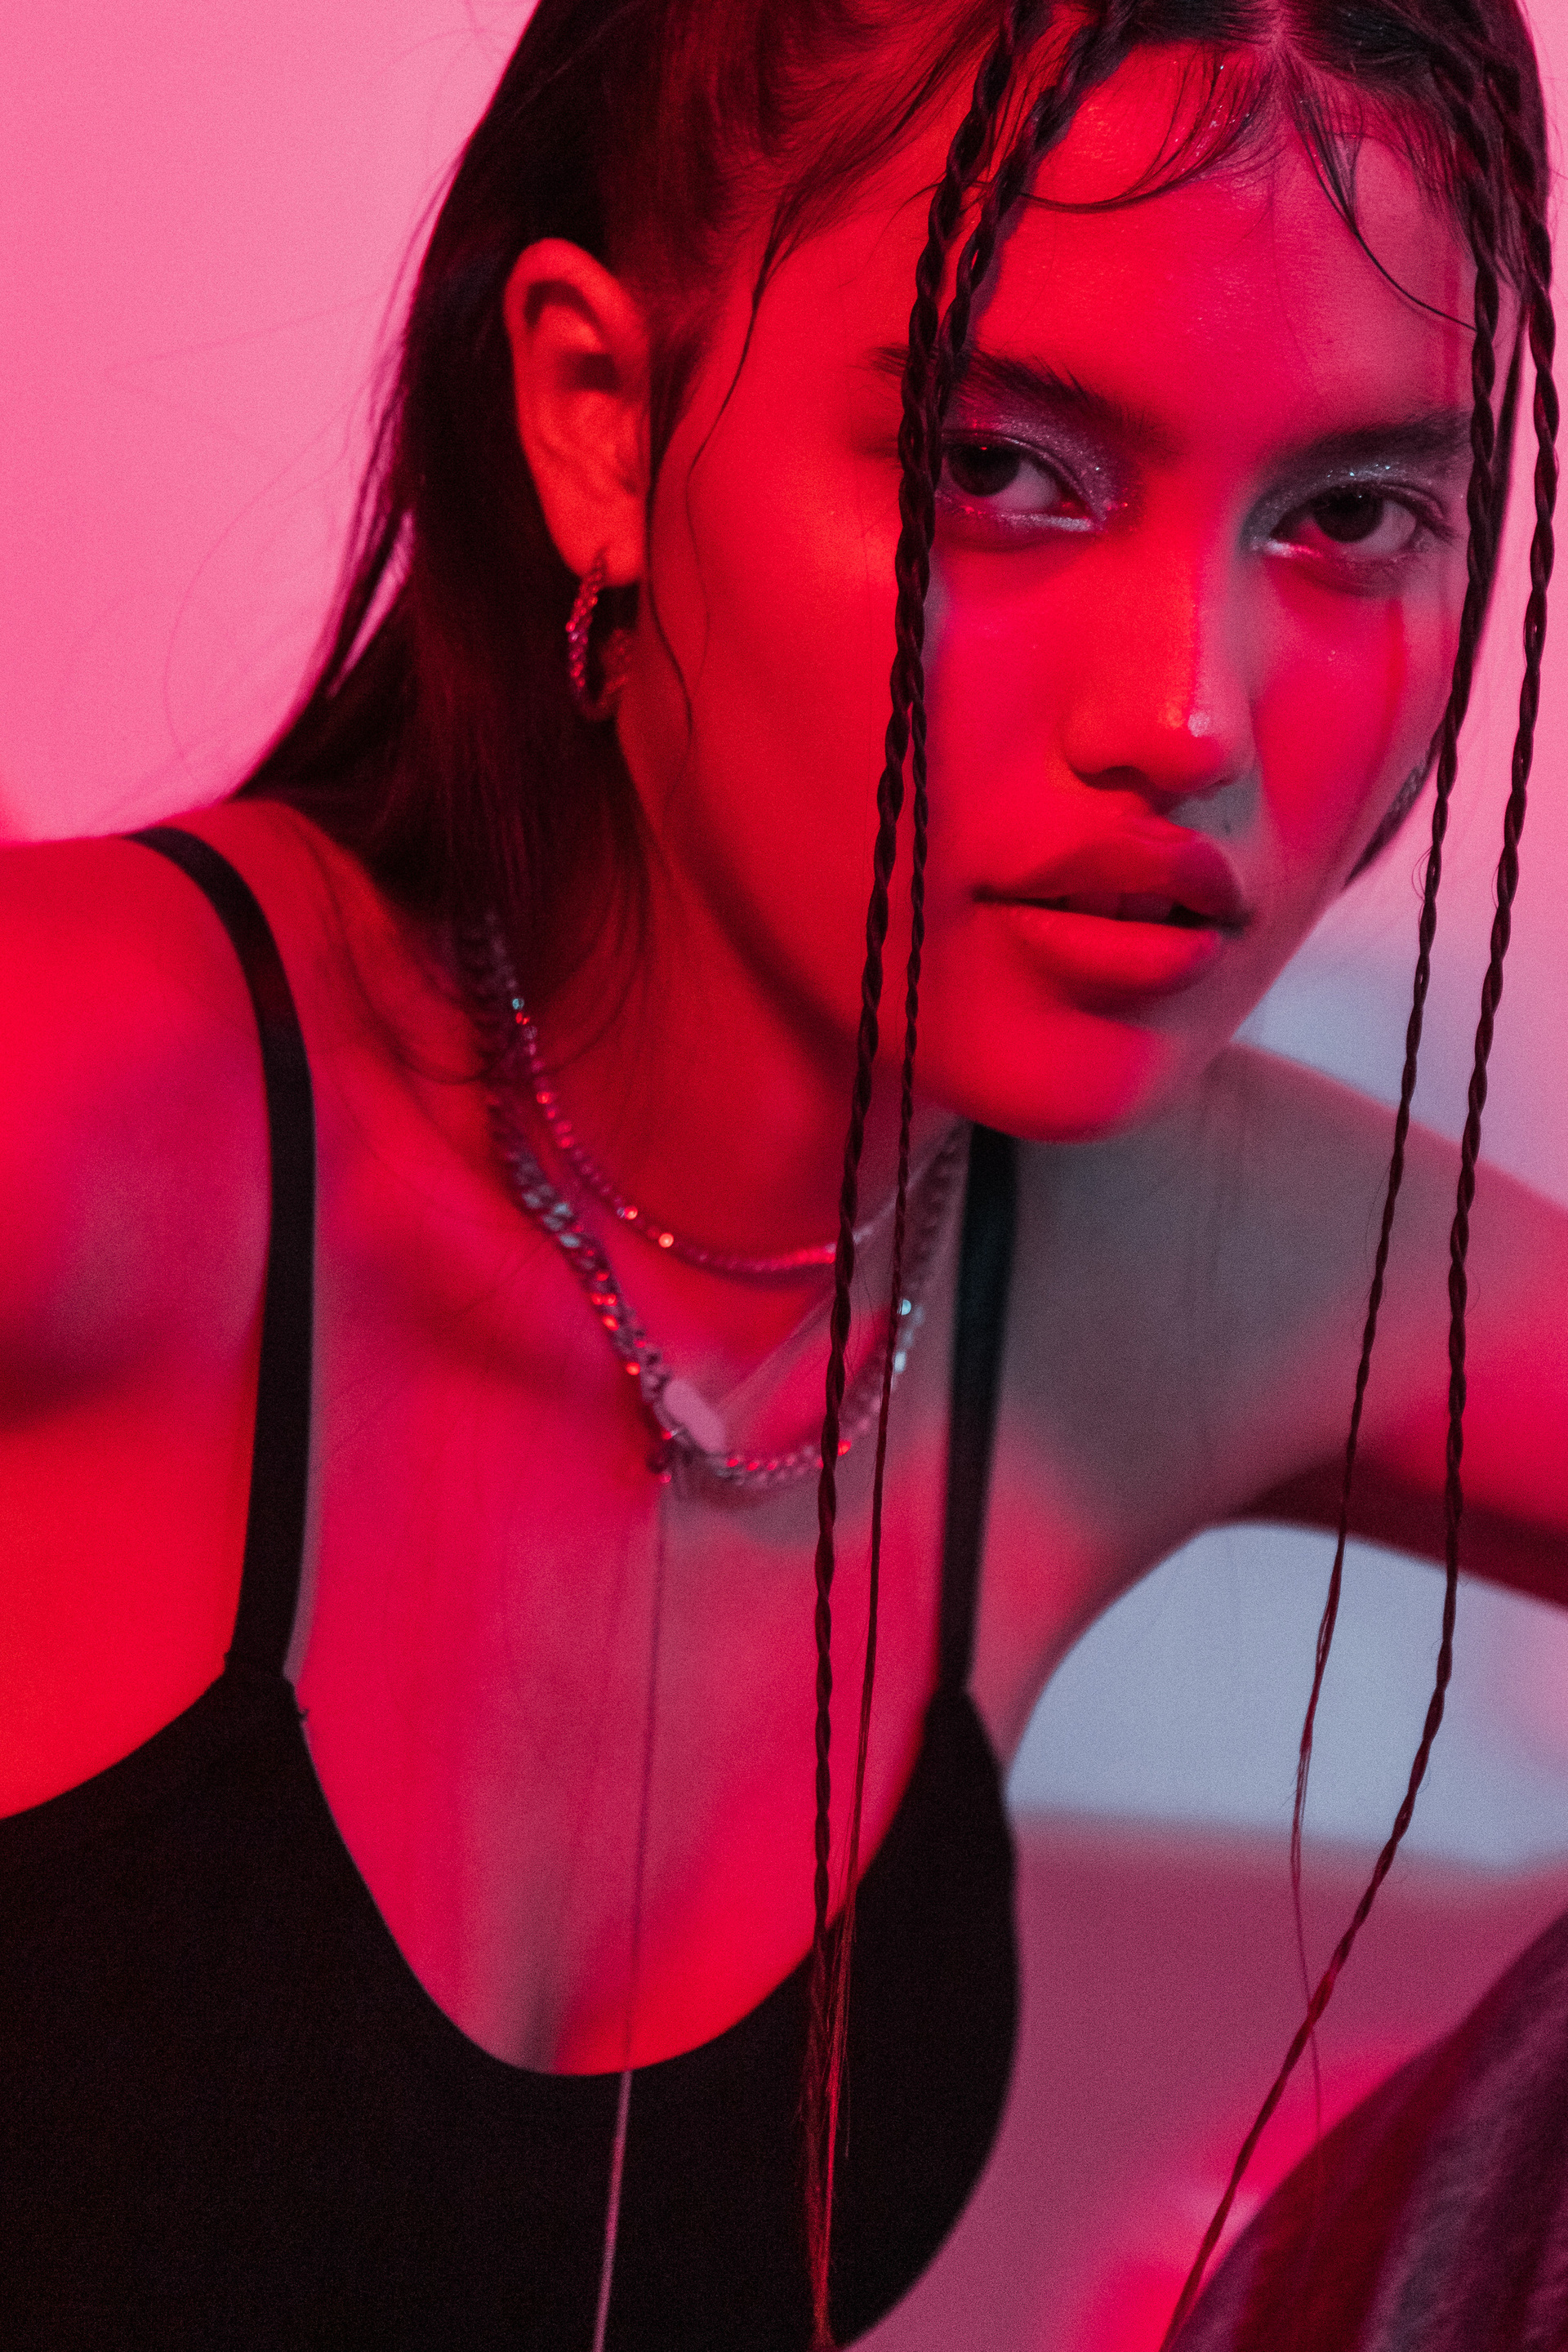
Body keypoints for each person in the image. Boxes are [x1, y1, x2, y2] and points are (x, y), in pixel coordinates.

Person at [1, 0, 1563, 2345]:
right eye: (999, 468)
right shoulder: (102, 1094)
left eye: (1350, 518)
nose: (1193, 714)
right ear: (598, 423)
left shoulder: (1177, 1264)